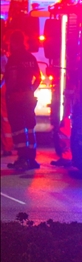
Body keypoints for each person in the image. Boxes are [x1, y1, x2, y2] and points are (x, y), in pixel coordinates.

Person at [3, 30, 42, 170]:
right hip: (28, 96)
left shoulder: (14, 58)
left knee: (18, 128)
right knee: (30, 127)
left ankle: (22, 158)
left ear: (14, 42)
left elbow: (11, 79)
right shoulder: (31, 58)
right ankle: (31, 158)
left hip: (16, 97)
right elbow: (39, 78)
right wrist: (31, 90)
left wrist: (10, 94)